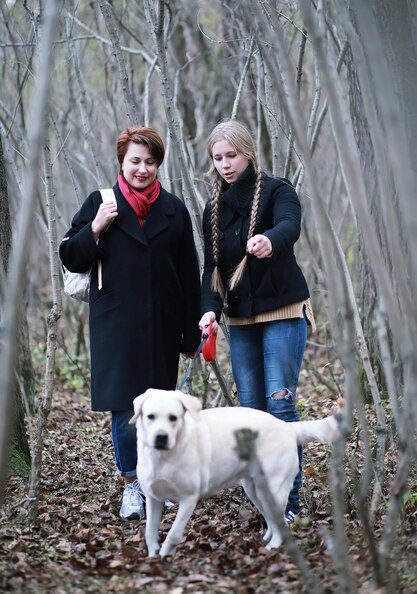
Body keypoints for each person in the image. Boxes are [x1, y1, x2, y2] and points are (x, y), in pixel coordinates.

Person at [60, 125, 201, 520]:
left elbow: (189, 274)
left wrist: (190, 332)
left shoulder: (173, 210)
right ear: (121, 162)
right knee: (125, 412)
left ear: (158, 164)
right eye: (134, 161)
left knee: (159, 411)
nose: (142, 169)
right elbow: (71, 256)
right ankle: (132, 487)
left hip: (162, 325)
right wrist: (95, 227)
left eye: (150, 162)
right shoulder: (99, 203)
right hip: (116, 326)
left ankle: (159, 482)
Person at [199, 120, 315, 524]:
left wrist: (270, 240)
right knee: (250, 410)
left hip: (283, 311)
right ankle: (263, 500)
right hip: (242, 319)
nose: (226, 164)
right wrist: (210, 308)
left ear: (248, 152)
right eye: (218, 158)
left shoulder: (278, 191)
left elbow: (290, 226)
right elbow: (212, 268)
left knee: (279, 409)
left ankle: (290, 503)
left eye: (232, 155)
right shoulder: (212, 209)